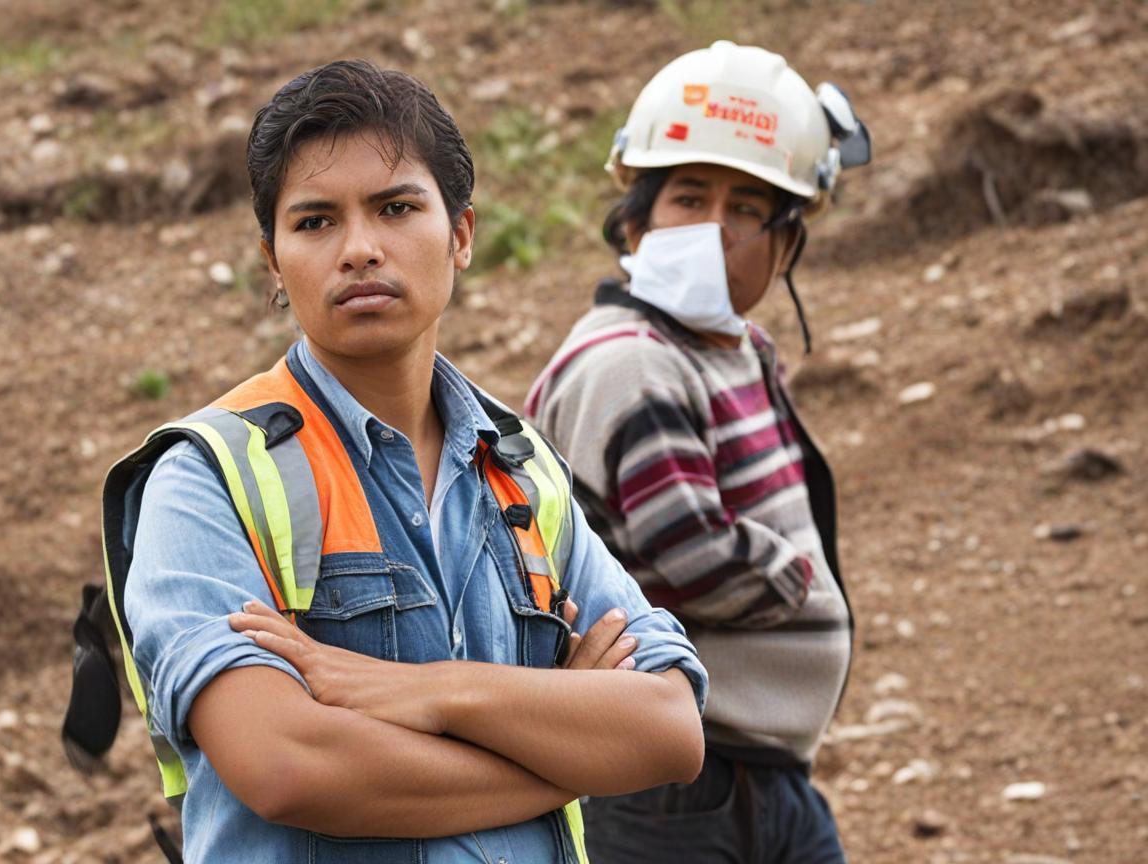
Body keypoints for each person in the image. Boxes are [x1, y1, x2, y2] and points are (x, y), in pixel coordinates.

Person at [93, 60, 709, 863]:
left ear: (460, 234)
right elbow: (289, 764)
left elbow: (667, 729)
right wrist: (565, 751)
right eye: (315, 221)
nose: (359, 249)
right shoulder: (208, 479)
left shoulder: (520, 468)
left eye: (396, 208)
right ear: (273, 263)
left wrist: (421, 692)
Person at [524, 41, 873, 863]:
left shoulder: (724, 348)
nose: (713, 230)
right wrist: (801, 581)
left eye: (746, 207)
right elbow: (686, 554)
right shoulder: (633, 361)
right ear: (637, 219)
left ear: (787, 241)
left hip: (753, 777)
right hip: (668, 784)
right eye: (687, 197)